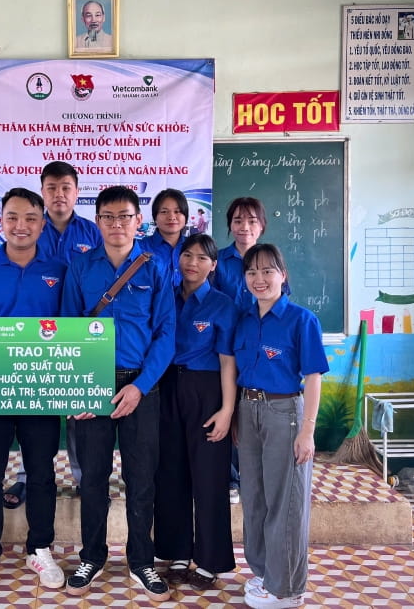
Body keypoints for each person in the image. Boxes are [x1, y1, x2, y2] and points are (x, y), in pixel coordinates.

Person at [61, 186, 175, 602]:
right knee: (92, 477)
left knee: (141, 478)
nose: (116, 224)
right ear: (97, 222)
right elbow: (68, 327)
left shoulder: (155, 267)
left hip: (141, 386)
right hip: (92, 382)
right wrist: (77, 389)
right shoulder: (80, 266)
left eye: (124, 216)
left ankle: (141, 560)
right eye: (107, 217)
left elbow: (166, 333)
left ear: (138, 221)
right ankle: (91, 556)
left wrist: (140, 387)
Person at [0, 187, 68, 594]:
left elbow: (72, 334)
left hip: (42, 390)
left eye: (30, 218)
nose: (21, 226)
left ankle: (40, 548)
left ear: (42, 223)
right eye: (12, 218)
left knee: (42, 474)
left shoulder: (60, 270)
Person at [233, 243, 327, 609]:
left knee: (285, 501)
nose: (259, 279)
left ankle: (287, 588)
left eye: (267, 271)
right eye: (252, 272)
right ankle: (265, 573)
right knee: (254, 497)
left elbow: (314, 377)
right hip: (248, 410)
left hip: (284, 411)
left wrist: (308, 430)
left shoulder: (302, 320)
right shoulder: (244, 318)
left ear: (283, 275)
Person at [4, 160, 102, 508]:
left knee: (78, 411)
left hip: (78, 331)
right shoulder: (30, 228)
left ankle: (83, 479)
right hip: (35, 333)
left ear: (77, 192)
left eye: (66, 188)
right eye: (52, 188)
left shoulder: (92, 232)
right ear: (43, 192)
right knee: (32, 411)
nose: (59, 194)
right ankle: (26, 477)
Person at [154, 234, 238, 592]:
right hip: (166, 387)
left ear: (213, 265)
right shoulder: (165, 297)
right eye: (187, 255)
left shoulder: (222, 304)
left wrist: (227, 410)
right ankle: (176, 552)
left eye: (202, 258)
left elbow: (228, 361)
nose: (192, 263)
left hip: (206, 391)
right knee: (170, 472)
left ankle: (209, 559)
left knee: (209, 477)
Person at [214, 196, 268, 503]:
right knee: (229, 410)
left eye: (251, 220)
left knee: (255, 412)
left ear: (262, 226)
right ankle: (232, 478)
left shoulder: (271, 261)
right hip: (226, 351)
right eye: (237, 221)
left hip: (260, 351)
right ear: (230, 226)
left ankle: (256, 476)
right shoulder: (219, 262)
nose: (244, 227)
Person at [139, 188, 188, 287]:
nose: (171, 217)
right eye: (164, 212)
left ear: (185, 216)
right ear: (155, 217)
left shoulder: (194, 247)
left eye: (177, 211)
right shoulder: (140, 248)